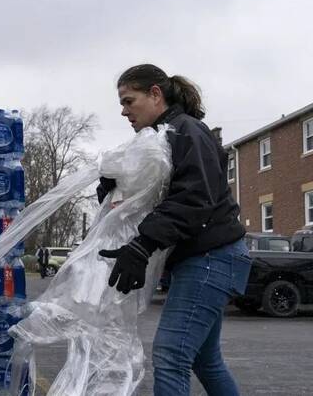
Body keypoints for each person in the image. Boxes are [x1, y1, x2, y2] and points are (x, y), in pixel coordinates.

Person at [97, 64, 252, 396]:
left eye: (129, 101)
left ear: (155, 94)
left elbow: (195, 196)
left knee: (171, 356)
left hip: (212, 257)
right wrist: (116, 184)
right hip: (206, 258)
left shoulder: (187, 132)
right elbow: (155, 195)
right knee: (205, 361)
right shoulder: (160, 138)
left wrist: (143, 245)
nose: (124, 111)